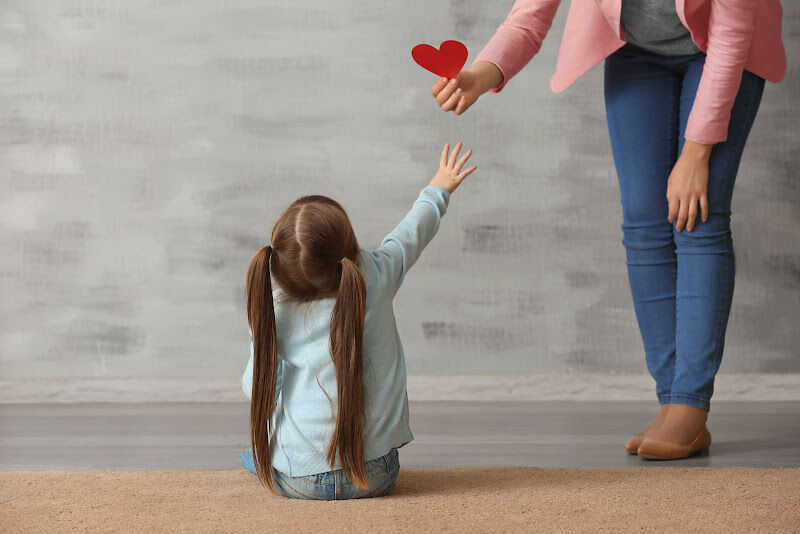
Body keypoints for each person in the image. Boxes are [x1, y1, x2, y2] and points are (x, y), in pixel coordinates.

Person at [428, 0, 785, 460]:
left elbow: (734, 29)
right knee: (643, 223)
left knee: (697, 215)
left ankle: (689, 404)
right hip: (637, 53)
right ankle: (671, 400)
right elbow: (530, 15)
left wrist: (696, 153)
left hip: (724, 50)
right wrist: (481, 74)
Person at [240, 143, 477, 498]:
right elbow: (411, 233)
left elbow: (256, 387)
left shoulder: (272, 310)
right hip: (377, 474)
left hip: (300, 481)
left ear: (277, 267)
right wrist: (438, 188)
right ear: (351, 255)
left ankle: (279, 459)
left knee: (254, 456)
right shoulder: (377, 277)